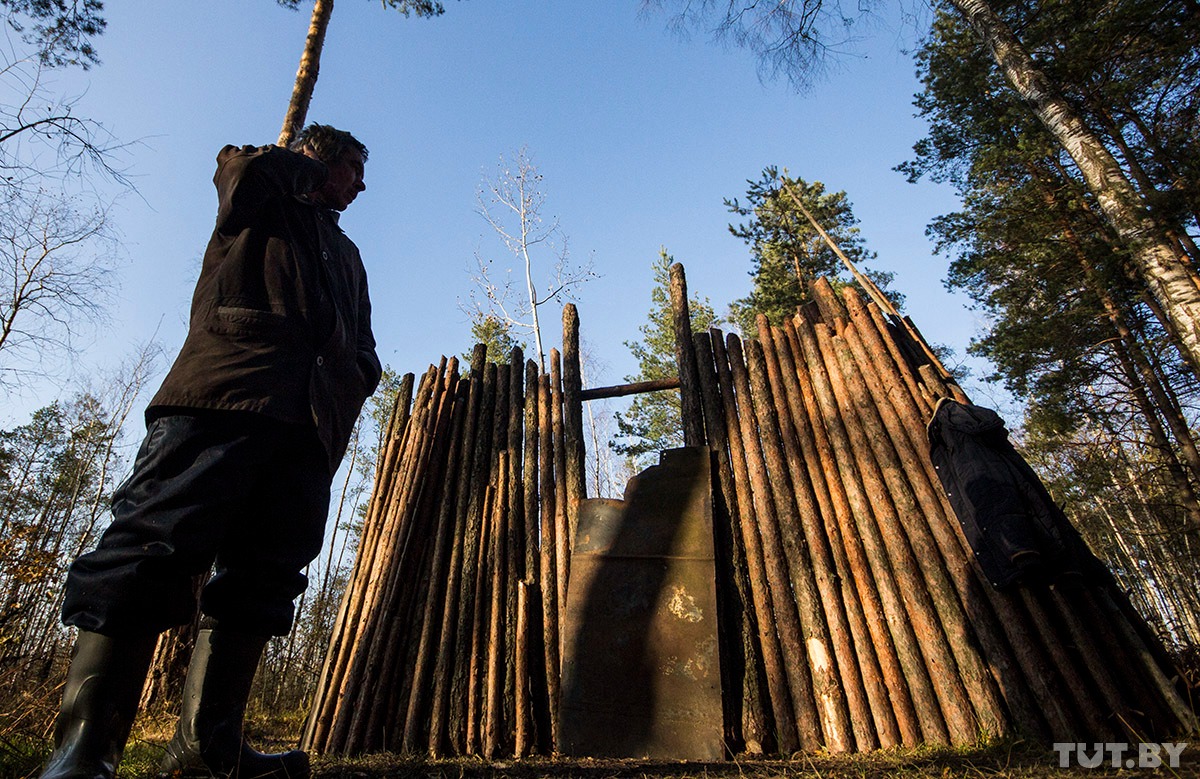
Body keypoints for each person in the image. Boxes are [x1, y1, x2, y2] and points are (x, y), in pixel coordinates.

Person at [38, 124, 381, 779]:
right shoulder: (256, 193)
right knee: (151, 546)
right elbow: (245, 174)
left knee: (264, 576)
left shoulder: (345, 251)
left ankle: (205, 750)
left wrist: (355, 377)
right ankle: (83, 751)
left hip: (306, 426)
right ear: (319, 157)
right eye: (353, 168)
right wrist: (301, 164)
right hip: (221, 397)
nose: (362, 185)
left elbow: (364, 340)